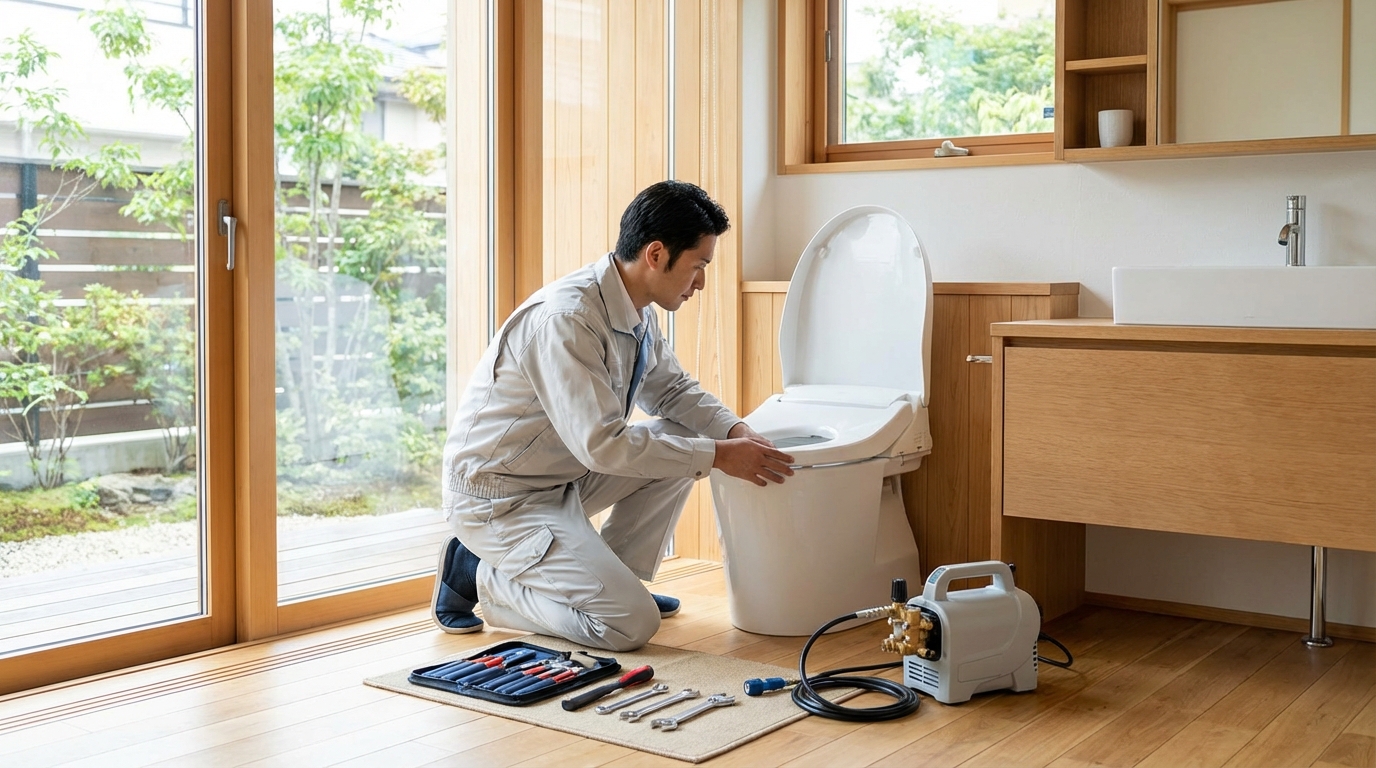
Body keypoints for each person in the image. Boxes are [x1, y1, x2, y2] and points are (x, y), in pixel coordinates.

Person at [432, 180, 795, 651]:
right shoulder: (568, 320)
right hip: (501, 496)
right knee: (629, 626)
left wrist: (736, 431)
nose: (702, 281)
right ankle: (480, 574)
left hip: (560, 478)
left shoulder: (636, 309)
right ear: (657, 254)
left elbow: (674, 392)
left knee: (690, 435)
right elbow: (602, 444)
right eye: (699, 265)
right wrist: (721, 455)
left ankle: (616, 581)